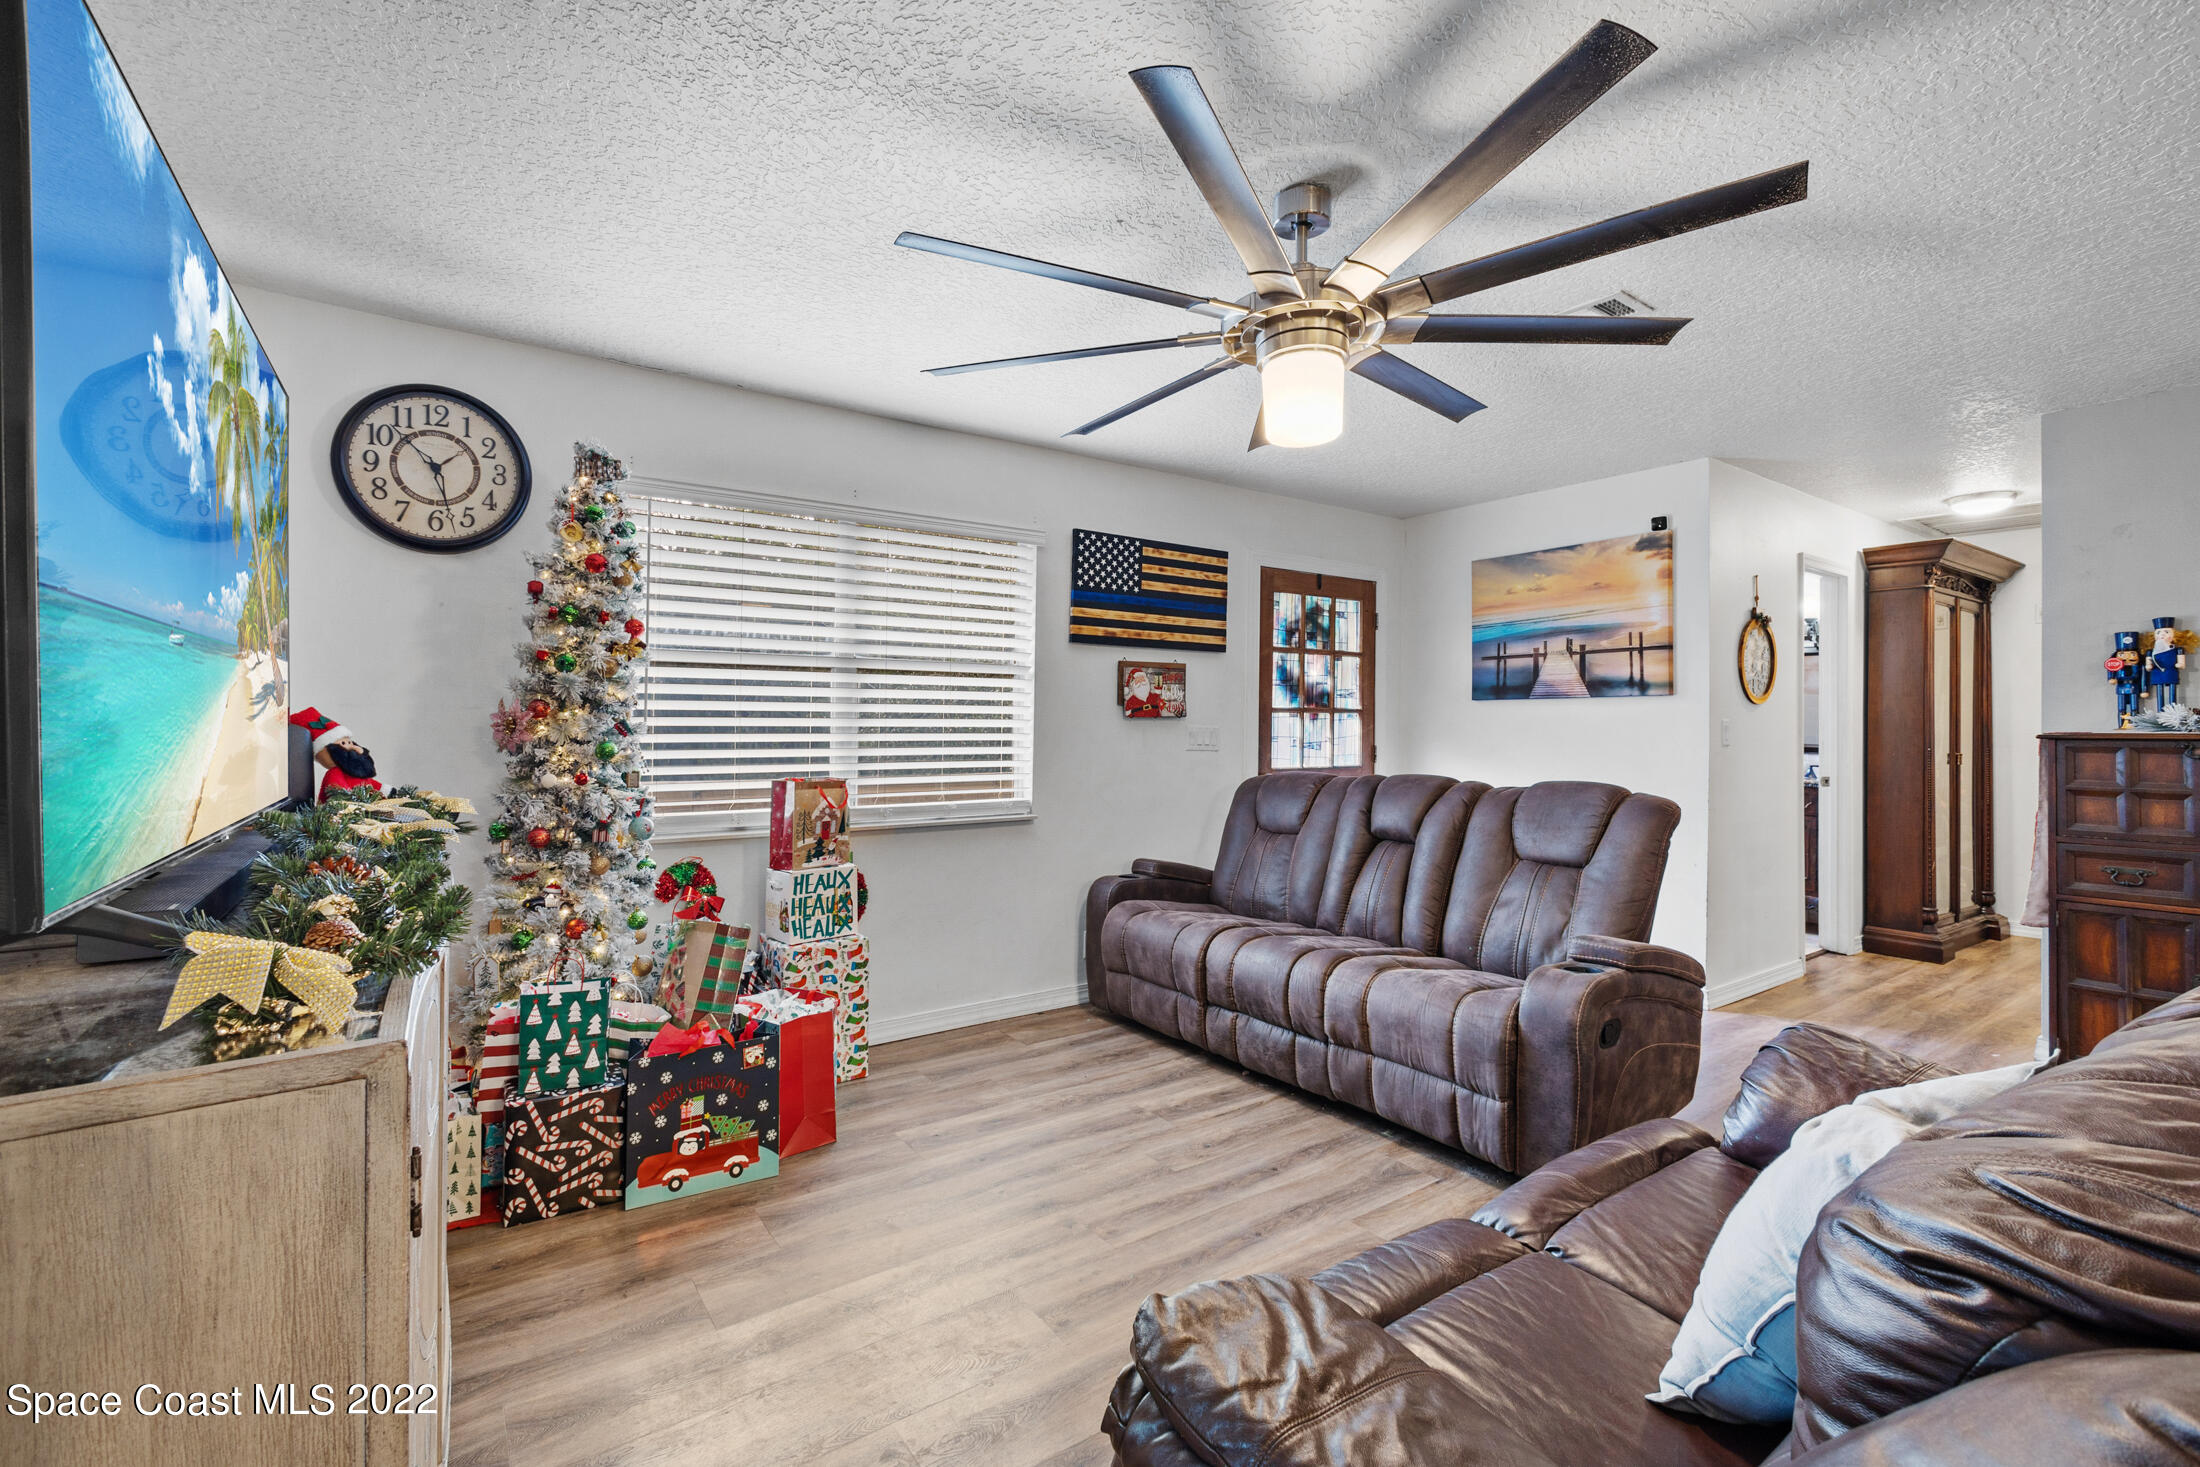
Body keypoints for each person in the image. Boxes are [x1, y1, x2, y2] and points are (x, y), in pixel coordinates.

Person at [290, 706, 381, 802]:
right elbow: (339, 794)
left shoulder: (356, 774)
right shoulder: (335, 773)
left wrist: (387, 791)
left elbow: (372, 784)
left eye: (350, 742)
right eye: (343, 743)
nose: (352, 748)